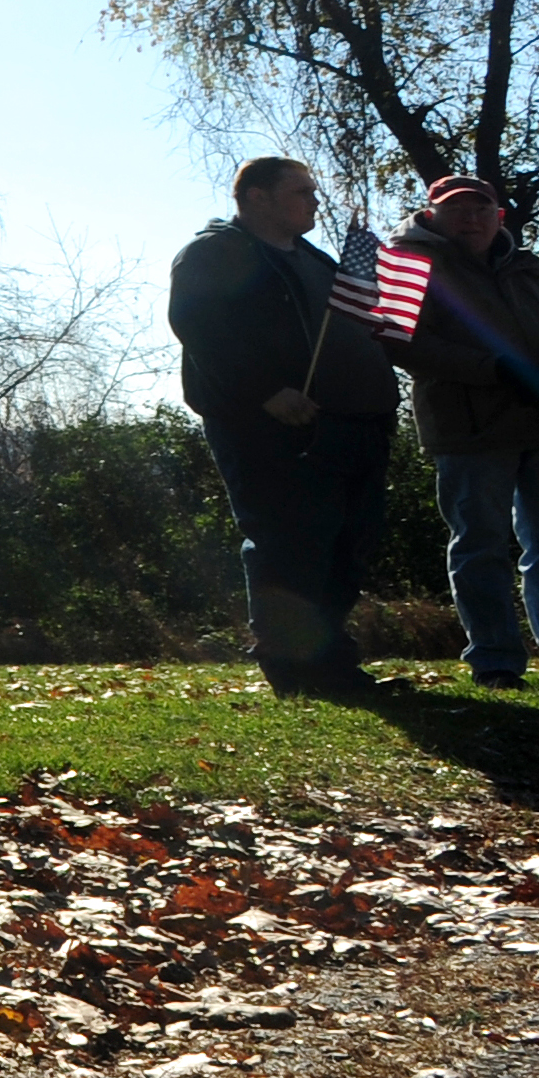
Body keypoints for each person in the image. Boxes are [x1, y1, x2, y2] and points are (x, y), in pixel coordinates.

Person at [387, 176, 539, 692]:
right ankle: (496, 661)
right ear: (431, 214)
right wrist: (495, 368)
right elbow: (404, 343)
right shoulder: (409, 266)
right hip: (472, 427)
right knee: (480, 546)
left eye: (482, 208)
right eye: (457, 209)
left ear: (500, 217)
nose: (471, 218)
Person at [164, 157, 399, 699]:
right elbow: (199, 327)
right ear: (257, 197)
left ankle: (332, 664)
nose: (315, 201)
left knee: (348, 543)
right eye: (301, 192)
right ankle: (293, 669)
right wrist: (264, 390)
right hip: (267, 427)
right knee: (291, 542)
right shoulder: (215, 252)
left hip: (349, 424)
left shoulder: (314, 259)